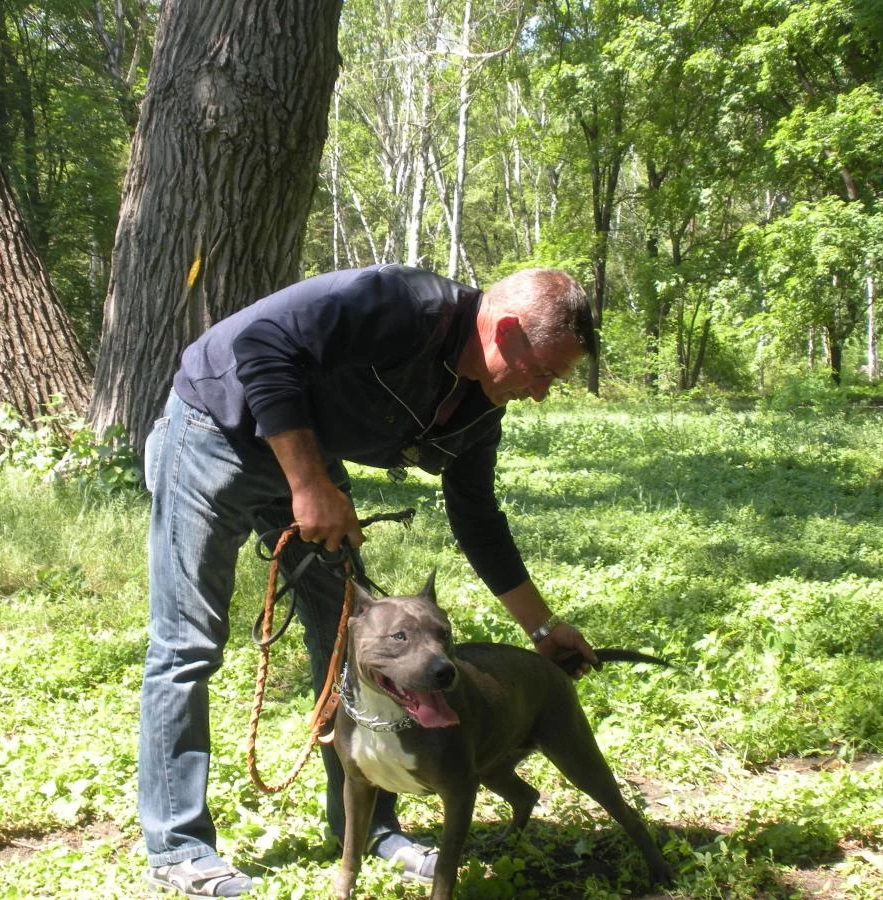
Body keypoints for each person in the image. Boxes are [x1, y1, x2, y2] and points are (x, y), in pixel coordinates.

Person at [139, 264, 601, 898]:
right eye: (543, 371)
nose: (542, 393)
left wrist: (542, 629)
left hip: (305, 447)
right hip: (215, 429)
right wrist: (308, 484)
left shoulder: (477, 407)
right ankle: (178, 848)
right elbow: (261, 346)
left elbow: (477, 518)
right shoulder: (400, 307)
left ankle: (370, 827)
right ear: (505, 331)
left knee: (356, 639)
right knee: (187, 644)